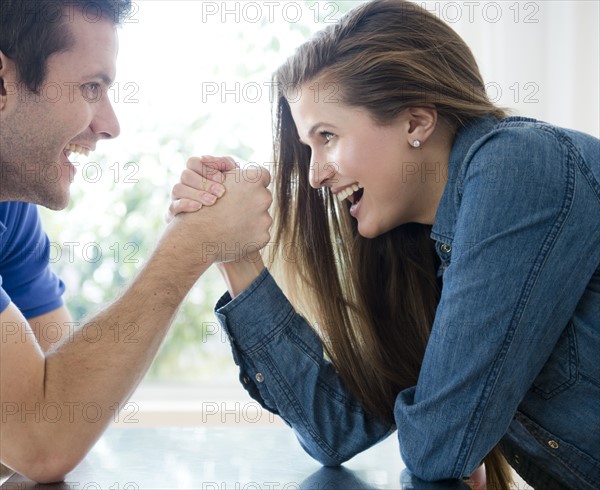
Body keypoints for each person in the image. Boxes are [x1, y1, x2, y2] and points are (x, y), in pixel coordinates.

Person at [169, 1, 600, 489]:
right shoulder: (419, 248)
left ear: (416, 122)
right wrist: (237, 257)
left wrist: (441, 416)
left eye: (327, 136)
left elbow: (440, 446)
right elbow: (335, 431)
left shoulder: (520, 164)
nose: (314, 175)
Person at [0, 0, 271, 483]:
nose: (110, 125)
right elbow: (43, 440)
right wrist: (191, 245)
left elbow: (63, 402)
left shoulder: (10, 211)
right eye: (90, 87)